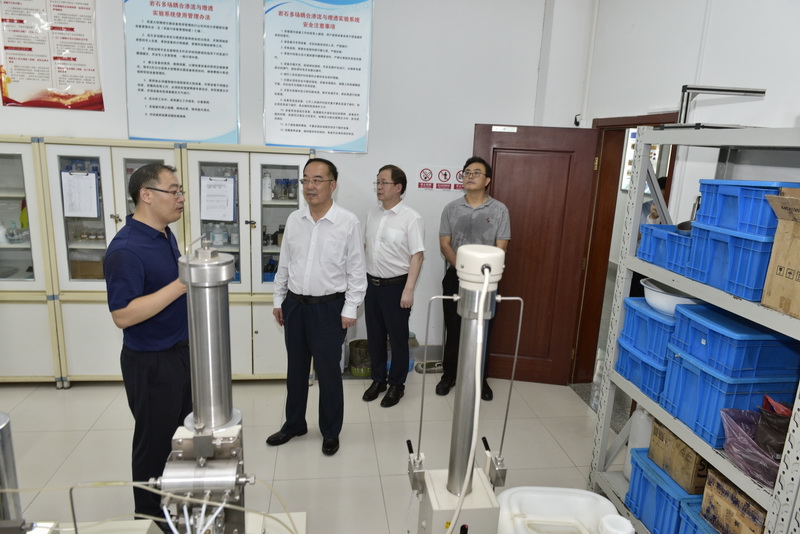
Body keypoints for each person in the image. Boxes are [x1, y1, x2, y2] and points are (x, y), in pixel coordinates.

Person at [103, 163, 192, 530]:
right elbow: (123, 314)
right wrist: (182, 283)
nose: (181, 197)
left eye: (180, 190)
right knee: (153, 443)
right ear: (146, 195)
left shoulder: (164, 234)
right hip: (151, 361)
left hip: (180, 352)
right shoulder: (126, 249)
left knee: (181, 434)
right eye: (174, 191)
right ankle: (150, 517)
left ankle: (178, 501)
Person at [267, 158, 366, 456]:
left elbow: (356, 271)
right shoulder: (295, 219)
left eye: (317, 180)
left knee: (328, 374)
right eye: (306, 180)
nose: (310, 186)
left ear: (332, 185)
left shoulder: (348, 222)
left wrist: (350, 308)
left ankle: (330, 431)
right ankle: (294, 424)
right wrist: (278, 299)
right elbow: (285, 264)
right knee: (296, 371)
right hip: (295, 306)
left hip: (329, 309)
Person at [437, 156, 510, 401]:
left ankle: (480, 378)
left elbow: (501, 246)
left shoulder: (499, 210)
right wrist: (463, 270)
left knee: (483, 329)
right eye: (467, 172)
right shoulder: (451, 208)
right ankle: (449, 375)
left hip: (486, 279)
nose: (470, 176)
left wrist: (479, 273)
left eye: (476, 172)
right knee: (454, 327)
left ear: (487, 180)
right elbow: (445, 244)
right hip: (455, 277)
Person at [362, 165, 425, 408]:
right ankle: (378, 379)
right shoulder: (372, 214)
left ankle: (397, 384)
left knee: (398, 338)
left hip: (396, 287)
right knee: (375, 336)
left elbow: (417, 255)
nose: (379, 187)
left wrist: (408, 290)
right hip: (372, 285)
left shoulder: (411, 218)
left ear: (398, 187)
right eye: (377, 182)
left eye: (384, 182)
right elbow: (366, 249)